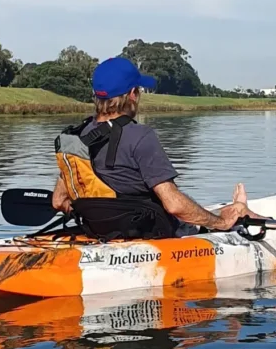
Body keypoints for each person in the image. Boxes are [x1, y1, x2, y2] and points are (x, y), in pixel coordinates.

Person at [51, 56, 259, 235]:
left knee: (221, 211)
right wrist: (221, 223)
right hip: (151, 234)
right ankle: (245, 211)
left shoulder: (76, 138)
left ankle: (239, 208)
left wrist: (100, 217)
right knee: (236, 214)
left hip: (98, 232)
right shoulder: (141, 136)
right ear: (132, 94)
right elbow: (174, 205)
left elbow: (59, 201)